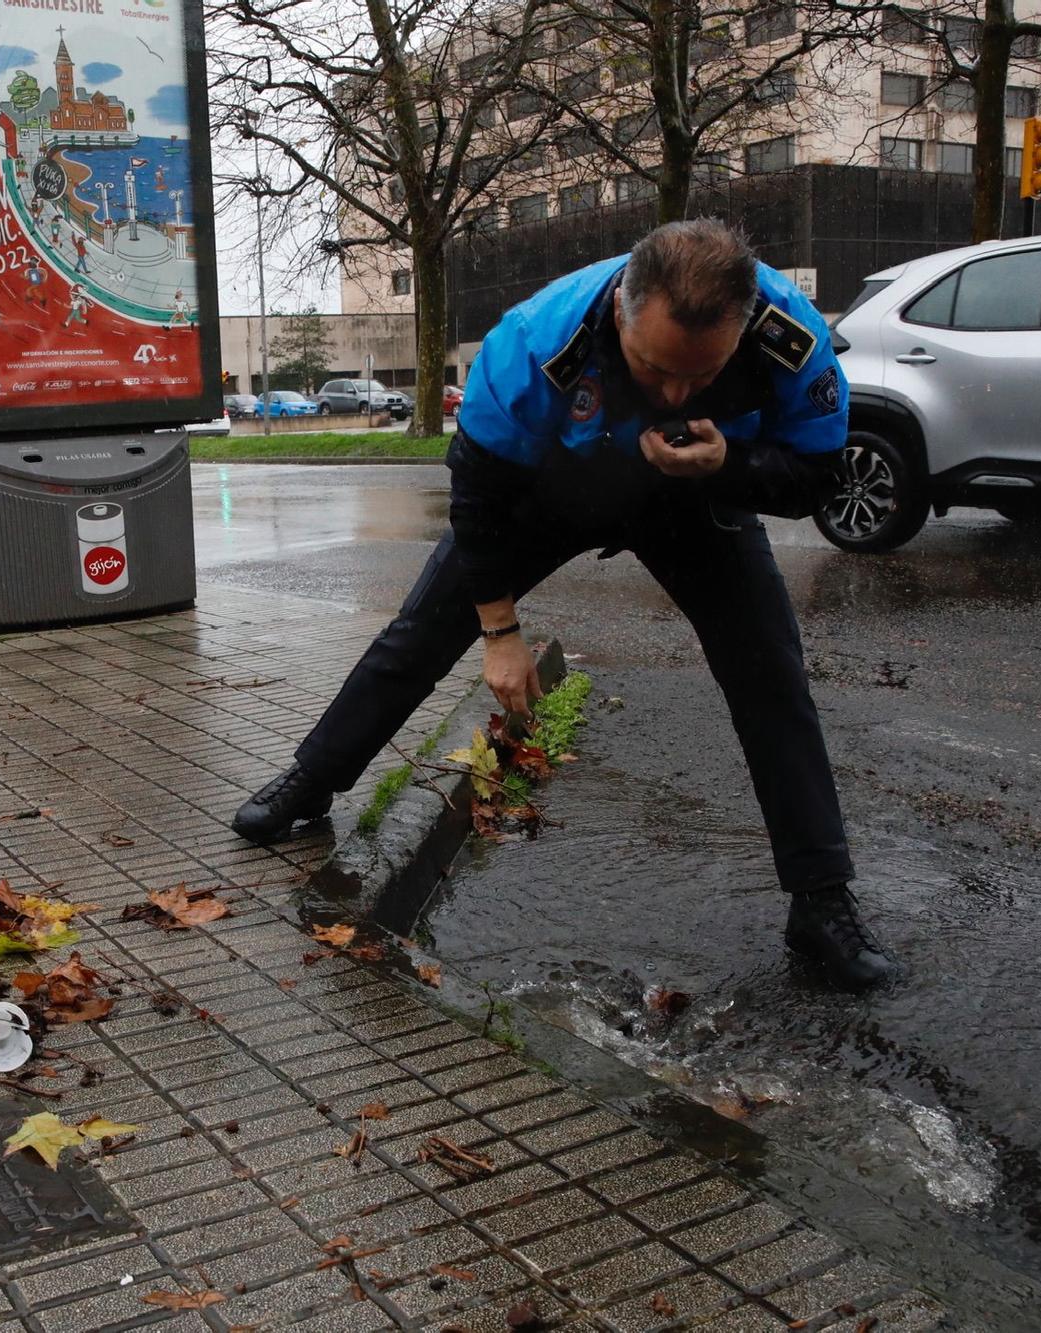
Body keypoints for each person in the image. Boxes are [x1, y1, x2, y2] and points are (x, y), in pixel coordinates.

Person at [230, 220, 895, 989]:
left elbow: (818, 478)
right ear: (621, 310)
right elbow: (475, 498)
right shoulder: (533, 343)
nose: (674, 394)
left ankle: (821, 901)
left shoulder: (791, 337)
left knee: (771, 674)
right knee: (419, 635)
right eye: (655, 370)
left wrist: (731, 463)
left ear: (742, 329)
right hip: (549, 492)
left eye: (699, 376)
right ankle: (311, 780)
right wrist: (500, 631)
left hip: (696, 487)